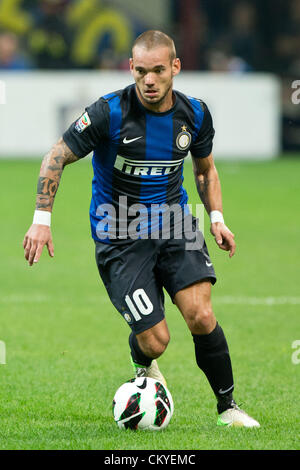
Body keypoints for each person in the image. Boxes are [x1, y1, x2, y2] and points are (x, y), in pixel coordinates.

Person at [23, 30, 260, 428]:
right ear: (131, 68)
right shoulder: (108, 112)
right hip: (119, 233)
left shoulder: (195, 114)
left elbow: (206, 171)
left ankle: (228, 408)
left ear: (175, 68)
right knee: (157, 341)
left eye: (158, 71)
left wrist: (216, 217)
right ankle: (142, 362)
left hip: (176, 223)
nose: (149, 81)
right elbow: (55, 157)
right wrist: (41, 220)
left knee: (201, 316)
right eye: (141, 71)